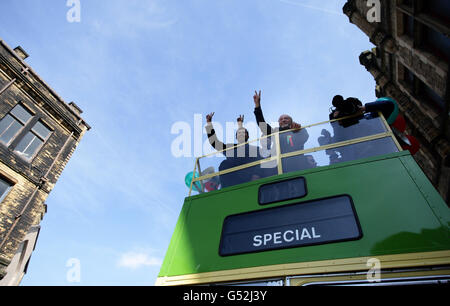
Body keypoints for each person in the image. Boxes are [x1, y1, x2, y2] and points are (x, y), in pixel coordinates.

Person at [252, 90, 311, 173]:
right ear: (279, 123)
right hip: (279, 169)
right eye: (281, 119)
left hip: (298, 167)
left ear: (291, 121)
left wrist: (299, 130)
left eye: (286, 118)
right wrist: (257, 106)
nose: (283, 120)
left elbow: (304, 137)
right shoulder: (275, 133)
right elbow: (262, 125)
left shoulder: (297, 129)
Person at [205, 112, 265, 187]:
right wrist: (209, 124)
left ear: (247, 136)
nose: (241, 134)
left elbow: (261, 161)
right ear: (236, 137)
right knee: (224, 164)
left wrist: (257, 174)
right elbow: (214, 142)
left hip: (249, 177)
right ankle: (225, 189)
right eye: (239, 133)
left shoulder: (254, 149)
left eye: (244, 133)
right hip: (233, 179)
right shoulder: (230, 148)